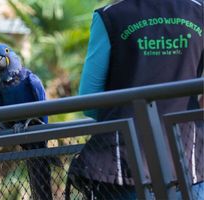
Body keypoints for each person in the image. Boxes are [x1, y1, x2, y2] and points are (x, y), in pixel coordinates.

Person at [68, 0, 203, 199]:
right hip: (191, 162)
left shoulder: (110, 16)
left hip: (121, 165)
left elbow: (89, 99)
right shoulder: (199, 12)